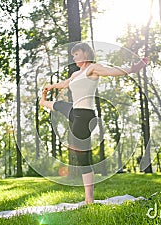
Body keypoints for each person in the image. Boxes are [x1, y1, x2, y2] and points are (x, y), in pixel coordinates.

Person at [40, 42, 147, 204]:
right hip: (75, 112)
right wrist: (51, 86)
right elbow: (64, 84)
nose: (74, 57)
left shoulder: (93, 68)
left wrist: (132, 69)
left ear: (86, 54)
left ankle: (89, 199)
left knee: (83, 158)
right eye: (73, 55)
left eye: (77, 54)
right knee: (61, 105)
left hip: (85, 116)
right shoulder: (76, 74)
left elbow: (112, 71)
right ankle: (43, 103)